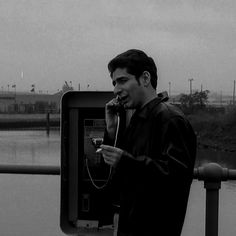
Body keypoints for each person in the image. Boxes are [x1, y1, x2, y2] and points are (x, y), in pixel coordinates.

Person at [99, 49, 196, 236]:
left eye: (122, 80)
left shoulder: (170, 119)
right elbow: (118, 177)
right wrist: (112, 132)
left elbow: (176, 178)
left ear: (145, 78)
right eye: (114, 83)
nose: (116, 90)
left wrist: (125, 162)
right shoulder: (138, 119)